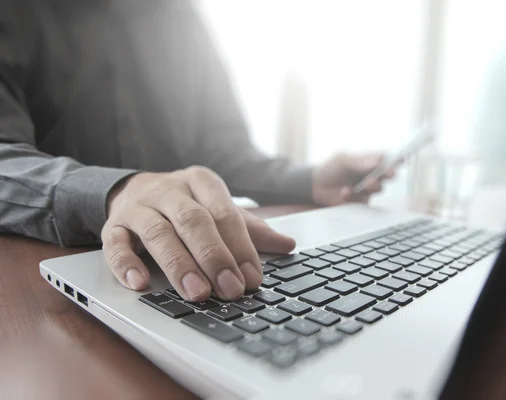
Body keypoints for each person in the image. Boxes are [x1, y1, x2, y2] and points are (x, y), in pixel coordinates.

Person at [0, 0, 391, 302]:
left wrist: (309, 180)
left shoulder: (182, 17)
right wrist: (113, 191)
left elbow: (225, 152)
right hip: (47, 288)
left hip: (188, 270)